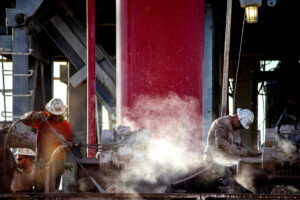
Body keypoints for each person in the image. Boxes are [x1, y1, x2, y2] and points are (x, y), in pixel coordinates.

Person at [20, 98, 74, 192]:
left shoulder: (66, 126)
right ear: (49, 112)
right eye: (54, 115)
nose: (57, 117)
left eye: (59, 115)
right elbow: (24, 120)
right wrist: (34, 115)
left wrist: (67, 143)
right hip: (42, 162)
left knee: (53, 191)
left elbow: (70, 144)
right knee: (40, 192)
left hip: (58, 163)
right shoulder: (43, 119)